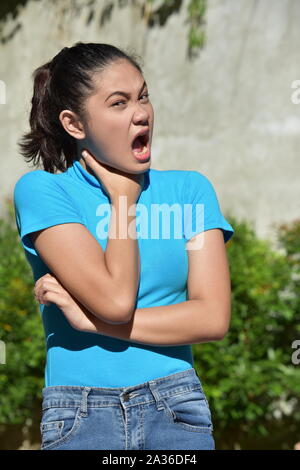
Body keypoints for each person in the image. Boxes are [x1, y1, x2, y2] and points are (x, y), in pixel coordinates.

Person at [13, 42, 234, 451]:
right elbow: (116, 299)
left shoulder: (190, 190)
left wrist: (91, 323)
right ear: (74, 124)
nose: (141, 113)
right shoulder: (43, 191)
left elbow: (212, 317)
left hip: (175, 405)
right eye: (118, 103)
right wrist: (121, 200)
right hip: (79, 413)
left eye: (143, 96)